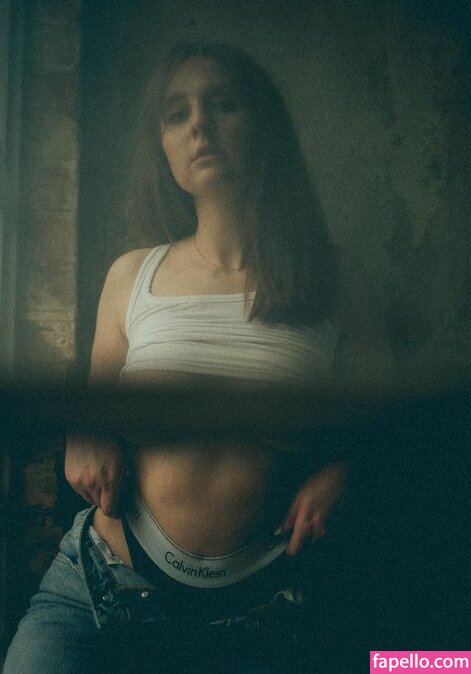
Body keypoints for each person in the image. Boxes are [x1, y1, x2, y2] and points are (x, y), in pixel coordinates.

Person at [3, 41, 392, 674]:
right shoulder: (132, 274)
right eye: (177, 113)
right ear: (162, 144)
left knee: (426, 663)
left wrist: (341, 474)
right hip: (101, 587)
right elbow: (94, 406)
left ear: (263, 125)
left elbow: (388, 429)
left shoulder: (337, 280)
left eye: (223, 104)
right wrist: (84, 434)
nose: (199, 127)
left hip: (265, 611)